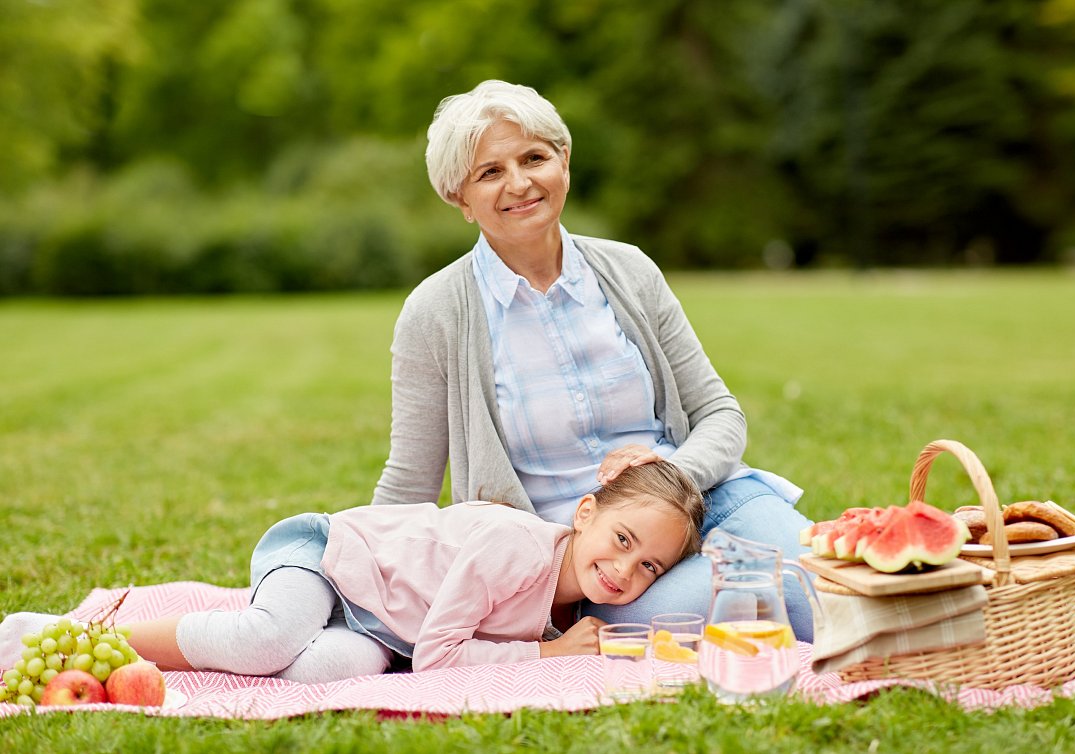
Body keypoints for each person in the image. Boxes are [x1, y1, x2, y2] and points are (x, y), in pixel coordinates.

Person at [372, 80, 816, 641]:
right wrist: (362, 581)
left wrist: (673, 471)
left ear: (564, 161)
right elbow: (409, 483)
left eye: (534, 158)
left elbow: (720, 414)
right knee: (743, 596)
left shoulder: (629, 270)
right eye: (490, 172)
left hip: (705, 497)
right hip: (596, 568)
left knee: (815, 579)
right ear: (459, 198)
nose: (520, 183)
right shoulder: (435, 312)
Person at [0, 462, 704, 683]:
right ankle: (65, 637)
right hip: (334, 560)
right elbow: (438, 657)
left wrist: (550, 639)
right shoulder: (517, 548)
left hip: (379, 623)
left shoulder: (564, 603)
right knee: (267, 641)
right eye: (620, 538)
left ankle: (186, 648)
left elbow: (419, 650)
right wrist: (544, 654)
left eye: (649, 566)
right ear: (584, 513)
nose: (624, 570)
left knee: (317, 675)